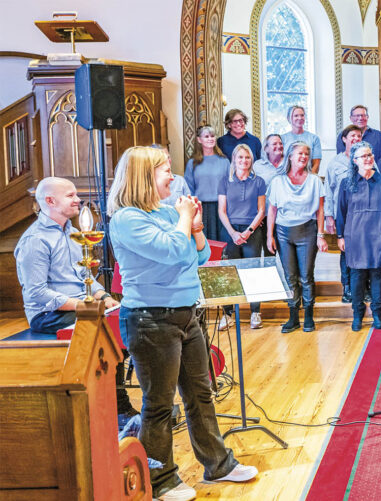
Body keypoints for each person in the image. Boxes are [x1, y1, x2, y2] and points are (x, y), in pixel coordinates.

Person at [108, 147, 257, 500]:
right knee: (159, 404)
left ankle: (218, 464)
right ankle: (160, 481)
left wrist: (197, 228)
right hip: (151, 320)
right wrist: (184, 220)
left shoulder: (163, 211)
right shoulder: (127, 219)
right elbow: (175, 251)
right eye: (165, 170)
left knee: (200, 394)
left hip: (186, 313)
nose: (172, 177)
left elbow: (200, 254)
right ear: (145, 176)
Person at [14, 177, 136, 422]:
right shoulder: (35, 240)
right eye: (70, 195)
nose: (78, 199)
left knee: (123, 318)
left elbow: (84, 275)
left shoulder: (73, 233)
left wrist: (103, 297)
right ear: (50, 200)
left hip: (82, 304)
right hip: (47, 315)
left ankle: (115, 404)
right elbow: (37, 292)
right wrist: (86, 307)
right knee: (103, 325)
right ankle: (113, 408)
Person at [266, 142, 328, 333]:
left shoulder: (315, 181)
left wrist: (320, 235)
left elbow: (320, 210)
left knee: (306, 276)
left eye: (306, 154)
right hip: (283, 232)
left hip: (307, 231)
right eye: (299, 153)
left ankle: (308, 316)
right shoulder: (277, 181)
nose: (303, 156)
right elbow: (272, 210)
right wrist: (270, 236)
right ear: (290, 156)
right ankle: (293, 317)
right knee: (290, 276)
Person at [336, 141, 381, 331]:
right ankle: (358, 314)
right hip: (355, 234)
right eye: (364, 156)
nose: (368, 159)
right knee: (357, 275)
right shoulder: (346, 183)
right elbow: (341, 211)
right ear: (355, 160)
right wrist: (340, 236)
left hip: (378, 232)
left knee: (377, 274)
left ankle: (377, 313)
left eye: (370, 155)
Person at [217, 144, 267, 330]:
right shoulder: (224, 181)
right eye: (240, 158)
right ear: (234, 159)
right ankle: (228, 314)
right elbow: (222, 210)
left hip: (252, 231)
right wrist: (233, 233)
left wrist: (248, 232)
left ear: (251, 160)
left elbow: (261, 210)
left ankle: (255, 312)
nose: (244, 161)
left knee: (253, 272)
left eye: (247, 158)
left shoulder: (259, 181)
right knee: (229, 274)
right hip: (230, 230)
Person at [325, 125, 363, 303]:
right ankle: (347, 288)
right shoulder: (335, 163)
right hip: (344, 214)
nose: (355, 138)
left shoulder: (366, 158)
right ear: (344, 139)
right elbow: (329, 190)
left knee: (364, 250)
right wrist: (329, 216)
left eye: (358, 135)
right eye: (352, 136)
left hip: (363, 214)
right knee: (345, 251)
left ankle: (364, 287)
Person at [185, 125, 229, 241]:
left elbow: (230, 186)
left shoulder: (224, 161)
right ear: (199, 140)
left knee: (222, 243)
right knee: (202, 241)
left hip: (221, 207)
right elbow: (189, 188)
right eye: (206, 136)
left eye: (212, 136)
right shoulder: (192, 163)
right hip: (201, 208)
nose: (210, 139)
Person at [252, 134, 285, 259]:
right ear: (266, 148)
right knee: (269, 251)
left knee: (286, 253)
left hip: (284, 215)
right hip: (265, 215)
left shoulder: (289, 163)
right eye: (274, 144)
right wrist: (254, 212)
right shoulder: (257, 166)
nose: (279, 146)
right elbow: (252, 190)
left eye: (280, 143)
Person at [335, 105, 381, 171]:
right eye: (357, 115)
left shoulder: (378, 136)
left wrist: (375, 177)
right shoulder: (343, 135)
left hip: (373, 177)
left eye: (363, 115)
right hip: (350, 177)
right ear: (351, 118)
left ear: (367, 117)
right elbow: (342, 159)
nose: (360, 118)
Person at [281, 105, 322, 173]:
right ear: (289, 118)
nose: (300, 118)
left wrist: (309, 180)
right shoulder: (282, 139)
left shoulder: (314, 138)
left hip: (308, 177)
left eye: (302, 115)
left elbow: (316, 164)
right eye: (296, 115)